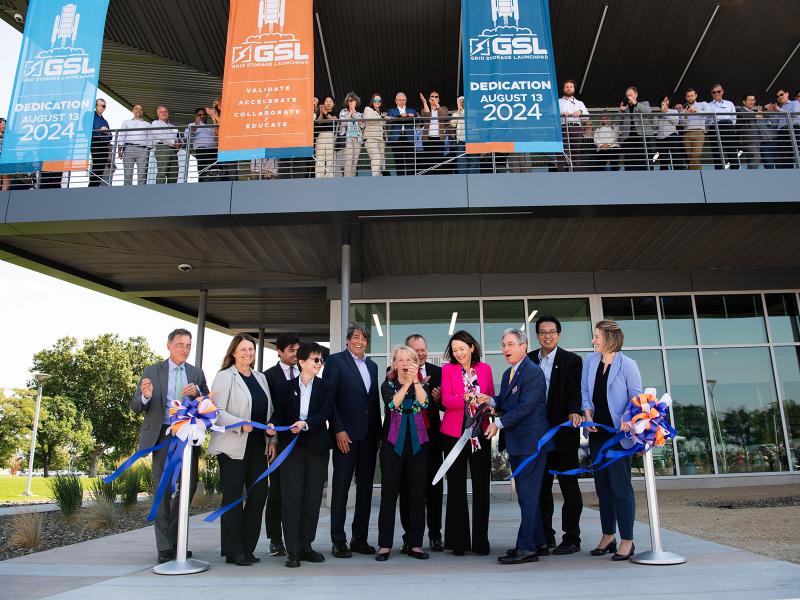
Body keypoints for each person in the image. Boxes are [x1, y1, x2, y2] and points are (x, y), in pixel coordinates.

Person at [131, 328, 209, 565]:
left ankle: (177, 540)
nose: (184, 349)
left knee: (189, 487)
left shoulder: (196, 373)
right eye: (180, 345)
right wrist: (145, 396)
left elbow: (208, 402)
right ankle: (165, 547)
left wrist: (197, 395)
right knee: (163, 491)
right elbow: (136, 406)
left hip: (187, 437)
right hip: (162, 437)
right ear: (169, 345)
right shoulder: (152, 371)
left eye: (188, 345)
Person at [481, 328, 551, 565]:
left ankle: (526, 547)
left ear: (524, 346)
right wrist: (489, 400)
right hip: (517, 443)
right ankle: (538, 542)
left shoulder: (532, 373)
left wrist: (498, 424)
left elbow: (525, 407)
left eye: (511, 344)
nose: (506, 349)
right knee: (526, 495)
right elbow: (505, 401)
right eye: (503, 345)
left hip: (532, 443)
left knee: (528, 496)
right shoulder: (509, 373)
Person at [207, 333, 274, 566]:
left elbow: (268, 409)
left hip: (257, 446)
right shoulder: (225, 377)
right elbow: (215, 411)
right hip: (232, 447)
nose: (248, 353)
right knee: (234, 498)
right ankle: (233, 551)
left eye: (251, 349)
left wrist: (270, 428)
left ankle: (247, 547)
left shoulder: (260, 378)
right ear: (234, 352)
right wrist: (238, 423)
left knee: (258, 495)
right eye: (243, 349)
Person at [582, 320, 643, 561]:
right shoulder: (590, 361)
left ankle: (627, 540)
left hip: (619, 437)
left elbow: (636, 398)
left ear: (609, 338)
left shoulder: (628, 365)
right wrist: (587, 414)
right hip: (597, 435)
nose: (593, 340)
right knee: (602, 489)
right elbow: (585, 393)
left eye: (597, 336)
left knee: (620, 489)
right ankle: (608, 536)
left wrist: (628, 419)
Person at [267, 342, 332, 568]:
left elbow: (325, 412)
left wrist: (305, 424)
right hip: (291, 449)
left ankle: (306, 546)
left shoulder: (325, 386)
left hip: (316, 448)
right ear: (302, 362)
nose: (319, 363)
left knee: (313, 499)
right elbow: (279, 413)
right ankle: (292, 550)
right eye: (315, 359)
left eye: (321, 360)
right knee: (291, 498)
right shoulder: (286, 387)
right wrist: (272, 425)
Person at [323, 324, 380, 558]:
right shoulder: (335, 361)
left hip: (368, 437)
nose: (360, 341)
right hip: (345, 437)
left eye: (364, 338)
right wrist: (338, 429)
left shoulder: (373, 366)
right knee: (341, 489)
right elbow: (329, 400)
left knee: (366, 490)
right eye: (356, 337)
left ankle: (360, 539)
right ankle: (338, 541)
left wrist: (379, 434)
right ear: (348, 340)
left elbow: (372, 402)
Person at [527, 316, 583, 555]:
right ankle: (545, 536)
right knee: (541, 489)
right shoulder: (528, 359)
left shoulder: (572, 361)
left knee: (569, 487)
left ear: (559, 334)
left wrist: (574, 411)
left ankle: (572, 538)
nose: (547, 336)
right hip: (538, 435)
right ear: (537, 335)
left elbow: (575, 392)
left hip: (563, 433)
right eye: (542, 332)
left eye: (551, 332)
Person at [440, 330, 494, 556]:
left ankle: (481, 541)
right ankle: (458, 542)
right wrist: (463, 397)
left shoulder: (485, 369)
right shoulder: (448, 370)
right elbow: (445, 400)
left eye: (462, 348)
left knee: (482, 487)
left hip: (480, 434)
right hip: (454, 434)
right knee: (456, 488)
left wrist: (488, 402)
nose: (459, 353)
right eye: (454, 350)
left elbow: (491, 396)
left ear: (472, 347)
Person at [376, 345, 431, 561]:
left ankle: (415, 543)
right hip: (392, 446)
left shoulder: (419, 384)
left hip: (418, 446)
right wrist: (405, 384)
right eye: (401, 359)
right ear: (394, 363)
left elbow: (424, 402)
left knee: (418, 496)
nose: (406, 363)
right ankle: (384, 545)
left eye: (410, 359)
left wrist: (415, 381)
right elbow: (392, 404)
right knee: (389, 495)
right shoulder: (387, 385)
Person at [398, 334, 443, 552]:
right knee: (408, 491)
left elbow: (445, 405)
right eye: (417, 350)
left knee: (433, 489)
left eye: (424, 349)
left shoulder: (438, 373)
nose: (422, 353)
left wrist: (439, 399)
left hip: (432, 439)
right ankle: (410, 537)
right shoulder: (398, 375)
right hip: (407, 441)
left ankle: (435, 534)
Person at [262, 332, 301, 557]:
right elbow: (269, 412)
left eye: (298, 350)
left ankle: (297, 538)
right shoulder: (268, 376)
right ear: (279, 351)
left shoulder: (305, 372)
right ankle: (275, 539)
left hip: (301, 441)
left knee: (295, 494)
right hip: (278, 441)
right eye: (291, 351)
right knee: (276, 491)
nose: (296, 354)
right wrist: (272, 441)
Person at [618, 86, 654, 171]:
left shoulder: (644, 104)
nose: (628, 97)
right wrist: (621, 110)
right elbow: (616, 122)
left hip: (643, 136)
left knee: (646, 162)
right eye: (627, 96)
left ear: (636, 95)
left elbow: (649, 113)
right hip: (629, 138)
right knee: (630, 165)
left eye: (630, 95)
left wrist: (636, 104)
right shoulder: (624, 108)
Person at [557, 80, 589, 171]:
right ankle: (561, 176)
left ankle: (576, 176)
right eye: (567, 87)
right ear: (563, 89)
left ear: (574, 89)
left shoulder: (580, 103)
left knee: (575, 153)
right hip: (562, 127)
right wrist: (561, 114)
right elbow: (551, 115)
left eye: (571, 87)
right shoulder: (557, 102)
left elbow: (587, 117)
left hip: (576, 128)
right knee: (562, 153)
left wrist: (580, 112)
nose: (569, 88)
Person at [706, 84, 738, 169]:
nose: (716, 93)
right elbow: (706, 121)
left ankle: (736, 175)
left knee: (732, 153)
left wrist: (729, 126)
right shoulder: (708, 105)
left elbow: (734, 118)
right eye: (714, 92)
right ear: (711, 94)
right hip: (715, 129)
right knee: (717, 155)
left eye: (718, 91)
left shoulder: (729, 103)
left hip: (728, 127)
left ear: (722, 92)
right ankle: (719, 177)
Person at [387, 92, 419, 176]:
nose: (402, 102)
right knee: (398, 162)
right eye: (400, 100)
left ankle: (410, 182)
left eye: (403, 100)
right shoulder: (391, 110)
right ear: (396, 101)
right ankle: (400, 182)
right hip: (396, 139)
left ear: (406, 100)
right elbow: (390, 120)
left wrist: (414, 116)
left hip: (409, 137)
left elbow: (419, 121)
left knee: (410, 162)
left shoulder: (412, 111)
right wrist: (401, 116)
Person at [118, 104, 151, 185]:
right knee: (128, 174)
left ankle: (141, 194)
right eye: (136, 109)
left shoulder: (147, 124)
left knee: (142, 174)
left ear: (142, 112)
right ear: (133, 111)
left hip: (142, 150)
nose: (138, 111)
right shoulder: (126, 122)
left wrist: (148, 149)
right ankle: (127, 194)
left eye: (140, 109)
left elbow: (151, 138)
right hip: (128, 148)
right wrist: (119, 149)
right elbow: (122, 135)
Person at [419, 90, 450, 174]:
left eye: (436, 97)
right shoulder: (424, 109)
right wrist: (424, 102)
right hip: (427, 138)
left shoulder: (443, 108)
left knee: (439, 160)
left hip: (439, 138)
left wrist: (436, 105)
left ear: (439, 99)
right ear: (429, 99)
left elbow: (444, 116)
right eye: (432, 97)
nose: (434, 98)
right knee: (429, 160)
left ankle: (438, 178)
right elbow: (427, 116)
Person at [150, 105, 181, 184]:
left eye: (165, 111)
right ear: (158, 114)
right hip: (162, 148)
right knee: (162, 172)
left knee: (174, 173)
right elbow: (161, 136)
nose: (164, 113)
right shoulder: (155, 123)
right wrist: (174, 143)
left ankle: (171, 193)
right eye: (161, 112)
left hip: (173, 151)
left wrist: (179, 143)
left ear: (168, 113)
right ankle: (159, 192)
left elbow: (179, 138)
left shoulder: (173, 127)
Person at [185, 108, 218, 182]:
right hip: (202, 151)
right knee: (203, 171)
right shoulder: (192, 125)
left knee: (214, 171)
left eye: (204, 115)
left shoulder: (210, 126)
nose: (202, 116)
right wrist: (196, 126)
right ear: (195, 116)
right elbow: (186, 136)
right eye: (200, 115)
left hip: (213, 151)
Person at [680, 89, 709, 170]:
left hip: (699, 132)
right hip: (686, 133)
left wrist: (697, 111)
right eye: (688, 96)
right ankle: (700, 174)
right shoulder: (683, 109)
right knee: (691, 157)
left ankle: (693, 175)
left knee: (696, 155)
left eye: (692, 96)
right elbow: (681, 123)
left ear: (696, 95)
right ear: (686, 97)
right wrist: (686, 114)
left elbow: (710, 112)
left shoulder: (703, 104)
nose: (690, 98)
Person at [338, 92, 364, 177]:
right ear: (347, 102)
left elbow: (363, 125)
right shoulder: (343, 112)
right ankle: (347, 179)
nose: (351, 102)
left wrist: (354, 113)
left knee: (355, 161)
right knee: (348, 160)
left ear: (356, 102)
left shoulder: (360, 114)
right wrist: (350, 112)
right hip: (348, 138)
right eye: (350, 101)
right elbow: (343, 123)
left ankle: (353, 179)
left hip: (357, 139)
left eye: (353, 101)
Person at [736, 95, 764, 169]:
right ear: (744, 101)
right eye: (749, 100)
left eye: (753, 100)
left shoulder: (754, 112)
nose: (752, 102)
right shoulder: (740, 109)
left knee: (751, 159)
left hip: (757, 140)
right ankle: (752, 176)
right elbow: (743, 115)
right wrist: (756, 115)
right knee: (757, 156)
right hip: (747, 141)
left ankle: (750, 177)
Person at [363, 93, 387, 176]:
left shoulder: (382, 113)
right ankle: (375, 180)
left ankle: (380, 178)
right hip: (371, 138)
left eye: (379, 100)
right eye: (375, 100)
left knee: (381, 161)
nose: (377, 102)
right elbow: (369, 120)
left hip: (381, 140)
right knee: (376, 157)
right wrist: (382, 117)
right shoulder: (368, 109)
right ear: (372, 101)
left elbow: (384, 128)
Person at [655, 96, 682, 170]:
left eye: (666, 100)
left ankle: (679, 174)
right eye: (663, 100)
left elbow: (676, 122)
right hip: (660, 138)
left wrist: (666, 113)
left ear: (669, 102)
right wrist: (659, 115)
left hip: (672, 135)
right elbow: (655, 126)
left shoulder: (673, 111)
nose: (665, 102)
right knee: (663, 160)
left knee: (676, 158)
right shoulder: (657, 114)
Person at [775, 89, 800, 168]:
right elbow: (775, 123)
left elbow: (795, 114)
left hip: (793, 129)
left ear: (787, 94)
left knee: (797, 153)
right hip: (782, 132)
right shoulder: (778, 108)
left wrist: (780, 110)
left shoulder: (795, 103)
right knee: (785, 156)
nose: (779, 97)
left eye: (781, 94)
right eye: (778, 96)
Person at [89, 99, 112, 187]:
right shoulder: (91, 117)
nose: (103, 108)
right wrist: (101, 131)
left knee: (101, 168)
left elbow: (110, 136)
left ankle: (95, 186)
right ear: (96, 106)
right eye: (101, 105)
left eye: (104, 106)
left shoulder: (105, 121)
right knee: (96, 166)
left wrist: (105, 132)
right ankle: (92, 187)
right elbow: (92, 131)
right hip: (96, 143)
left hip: (104, 145)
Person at [315, 96, 337, 178]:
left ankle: (329, 176)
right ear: (323, 103)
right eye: (326, 101)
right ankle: (319, 176)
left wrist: (325, 112)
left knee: (330, 157)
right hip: (321, 136)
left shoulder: (335, 112)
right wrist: (321, 112)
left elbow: (333, 120)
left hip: (330, 135)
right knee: (320, 157)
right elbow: (319, 122)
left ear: (333, 104)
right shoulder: (320, 113)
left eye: (330, 101)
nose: (328, 103)